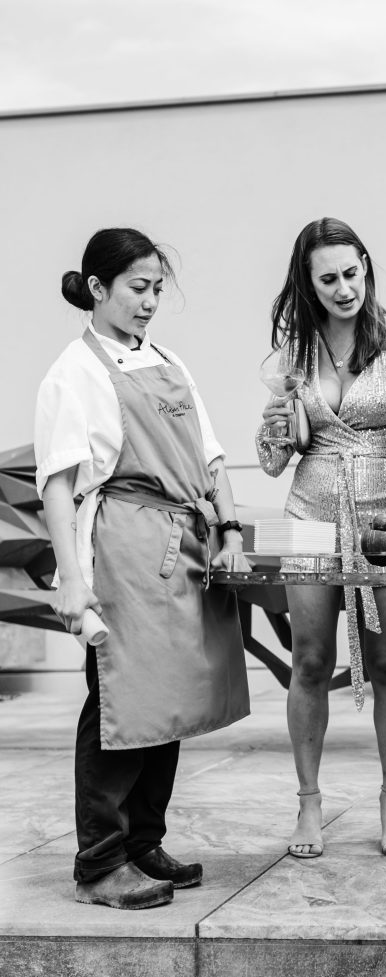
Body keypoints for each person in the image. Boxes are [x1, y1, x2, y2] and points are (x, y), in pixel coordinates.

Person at [36, 228, 251, 910]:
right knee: (122, 699)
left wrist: (230, 527)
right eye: (137, 287)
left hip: (182, 540)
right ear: (97, 288)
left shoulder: (166, 360)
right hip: (123, 544)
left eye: (157, 287)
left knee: (171, 698)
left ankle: (142, 842)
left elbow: (210, 459)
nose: (150, 300)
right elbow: (57, 486)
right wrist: (72, 580)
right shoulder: (74, 373)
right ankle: (100, 862)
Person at [256, 217, 386, 859]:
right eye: (329, 278)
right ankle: (308, 805)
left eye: (352, 273)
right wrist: (279, 428)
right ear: (308, 284)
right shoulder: (292, 355)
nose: (344, 289)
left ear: (367, 266)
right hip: (312, 510)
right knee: (309, 661)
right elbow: (276, 460)